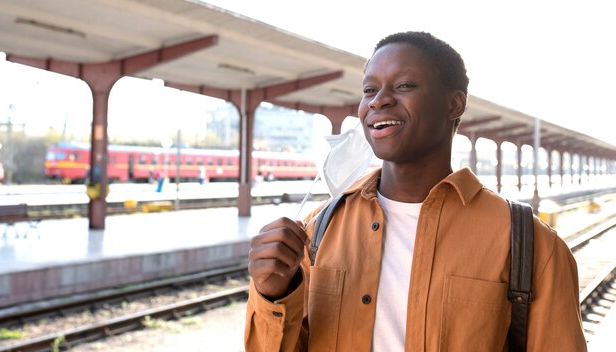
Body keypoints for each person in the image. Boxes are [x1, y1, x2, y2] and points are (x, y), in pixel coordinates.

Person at [245, 31, 587, 351]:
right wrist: (274, 292)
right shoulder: (318, 229)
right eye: (369, 90)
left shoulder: (532, 245)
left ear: (454, 105)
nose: (379, 101)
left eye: (404, 85)